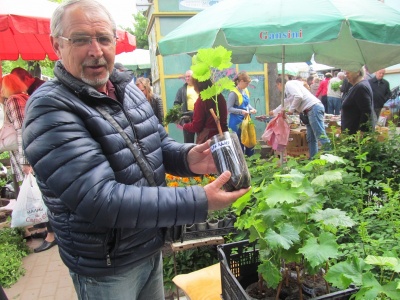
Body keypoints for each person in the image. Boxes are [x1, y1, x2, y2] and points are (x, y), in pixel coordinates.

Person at [22, 1, 249, 299]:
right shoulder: (50, 108)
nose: (96, 50)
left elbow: (157, 143)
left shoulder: (127, 88)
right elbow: (101, 199)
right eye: (80, 39)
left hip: (148, 244)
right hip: (107, 266)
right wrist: (199, 200)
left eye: (103, 38)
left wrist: (187, 158)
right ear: (56, 45)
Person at [10, 67, 55, 252]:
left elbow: (22, 131)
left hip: (34, 155)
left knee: (47, 197)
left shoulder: (16, 100)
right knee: (46, 196)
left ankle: (51, 234)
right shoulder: (27, 97)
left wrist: (25, 161)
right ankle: (47, 230)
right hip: (42, 152)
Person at [276, 77, 330, 159]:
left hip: (313, 108)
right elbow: (286, 102)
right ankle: (313, 160)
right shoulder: (291, 87)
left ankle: (332, 159)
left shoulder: (288, 84)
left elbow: (298, 96)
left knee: (320, 135)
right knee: (311, 138)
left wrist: (291, 110)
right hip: (309, 111)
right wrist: (274, 111)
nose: (278, 88)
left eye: (277, 86)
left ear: (279, 84)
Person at [182, 78, 228, 144]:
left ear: (199, 85)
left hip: (209, 141)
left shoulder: (201, 101)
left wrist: (184, 125)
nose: (194, 89)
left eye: (194, 85)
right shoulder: (219, 96)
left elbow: (197, 127)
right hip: (224, 137)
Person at [227, 71, 257, 157]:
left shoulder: (245, 91)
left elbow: (247, 104)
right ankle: (240, 162)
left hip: (246, 120)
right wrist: (241, 111)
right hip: (236, 122)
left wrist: (252, 109)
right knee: (238, 142)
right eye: (246, 83)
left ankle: (251, 159)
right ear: (240, 81)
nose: (247, 85)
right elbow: (229, 108)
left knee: (249, 139)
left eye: (248, 83)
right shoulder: (233, 93)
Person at [342, 69, 376, 134]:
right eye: (345, 71)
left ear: (358, 72)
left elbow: (366, 111)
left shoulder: (361, 87)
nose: (346, 73)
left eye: (349, 70)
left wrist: (362, 131)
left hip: (356, 134)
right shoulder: (357, 86)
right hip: (352, 131)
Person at [174, 70, 199, 143]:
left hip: (198, 115)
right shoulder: (182, 90)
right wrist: (180, 119)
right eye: (186, 77)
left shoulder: (199, 87)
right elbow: (176, 103)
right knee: (188, 141)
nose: (187, 78)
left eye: (189, 76)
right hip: (187, 117)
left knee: (201, 138)